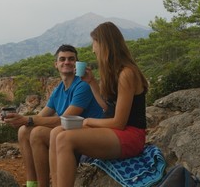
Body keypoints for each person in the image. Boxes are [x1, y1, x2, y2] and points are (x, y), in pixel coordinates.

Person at [49, 22, 149, 187]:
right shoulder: (115, 72)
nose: (93, 49)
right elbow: (106, 108)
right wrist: (92, 83)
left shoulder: (127, 74)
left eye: (94, 44)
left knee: (65, 139)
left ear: (105, 44)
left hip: (130, 135)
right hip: (115, 131)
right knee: (56, 133)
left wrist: (87, 122)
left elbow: (119, 122)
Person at [3, 44, 106, 187]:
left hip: (85, 138)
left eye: (71, 59)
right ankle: (32, 183)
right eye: (62, 59)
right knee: (24, 131)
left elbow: (65, 121)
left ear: (76, 64)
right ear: (56, 64)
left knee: (38, 133)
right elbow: (41, 116)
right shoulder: (58, 89)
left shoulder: (83, 86)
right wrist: (19, 119)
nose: (66, 62)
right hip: (67, 134)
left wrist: (28, 119)